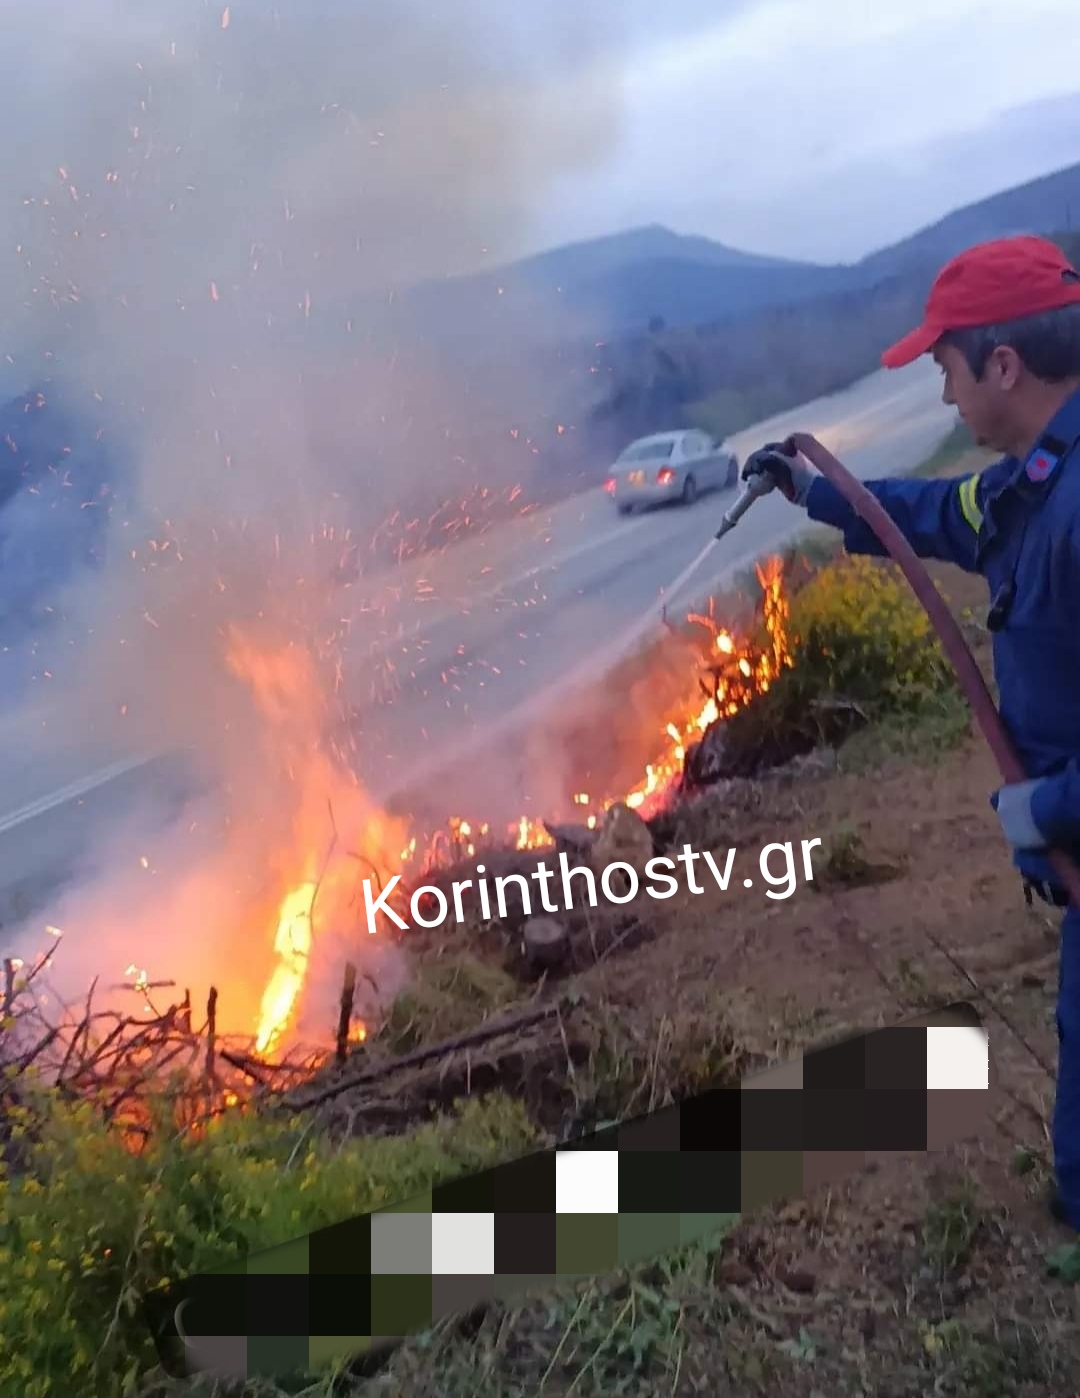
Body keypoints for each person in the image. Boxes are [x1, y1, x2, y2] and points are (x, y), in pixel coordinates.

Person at [740, 233, 1080, 1233]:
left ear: (1003, 365)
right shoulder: (1033, 485)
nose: (943, 395)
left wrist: (1048, 808)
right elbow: (933, 514)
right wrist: (814, 491)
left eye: (946, 368)